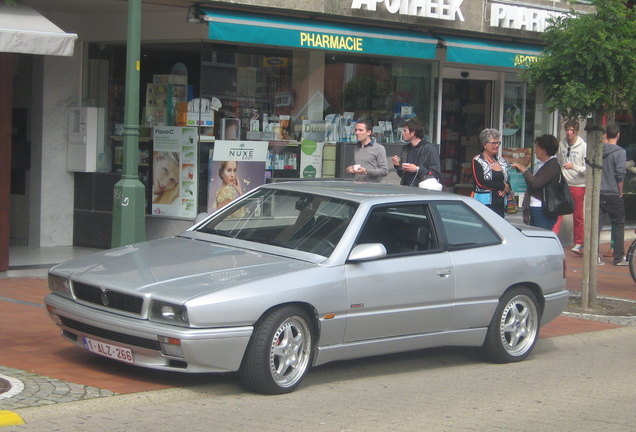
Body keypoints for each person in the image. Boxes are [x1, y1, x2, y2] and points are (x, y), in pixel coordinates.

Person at [511, 134, 561, 230]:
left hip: (542, 209)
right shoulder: (543, 165)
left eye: (537, 148)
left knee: (541, 236)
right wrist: (523, 171)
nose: (535, 151)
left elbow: (536, 183)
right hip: (536, 207)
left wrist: (524, 169)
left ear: (544, 149)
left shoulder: (552, 165)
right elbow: (532, 183)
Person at [599, 123, 627, 266]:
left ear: (606, 135)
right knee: (619, 224)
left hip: (598, 192)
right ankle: (618, 258)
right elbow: (620, 174)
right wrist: (620, 191)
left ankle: (594, 257)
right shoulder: (620, 152)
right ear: (618, 135)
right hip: (612, 192)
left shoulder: (598, 150)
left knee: (596, 226)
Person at [557, 119, 587, 255]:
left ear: (577, 131)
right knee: (558, 212)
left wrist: (573, 167)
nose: (569, 132)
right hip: (564, 183)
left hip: (578, 184)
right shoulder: (561, 145)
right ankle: (554, 237)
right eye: (567, 130)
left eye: (572, 130)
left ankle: (579, 242)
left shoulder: (583, 146)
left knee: (578, 215)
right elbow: (558, 161)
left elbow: (587, 169)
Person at [472, 128, 511, 217]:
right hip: (484, 204)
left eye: (498, 143)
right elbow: (480, 182)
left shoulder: (502, 161)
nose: (496, 145)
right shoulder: (478, 160)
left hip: (500, 204)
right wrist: (502, 186)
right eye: (493, 143)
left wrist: (507, 188)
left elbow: (507, 180)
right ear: (484, 144)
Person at [391, 118, 441, 186]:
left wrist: (417, 169)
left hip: (423, 191)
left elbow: (436, 173)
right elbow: (403, 175)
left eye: (405, 131)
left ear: (413, 133)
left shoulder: (429, 149)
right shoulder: (406, 149)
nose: (402, 133)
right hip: (407, 189)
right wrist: (398, 166)